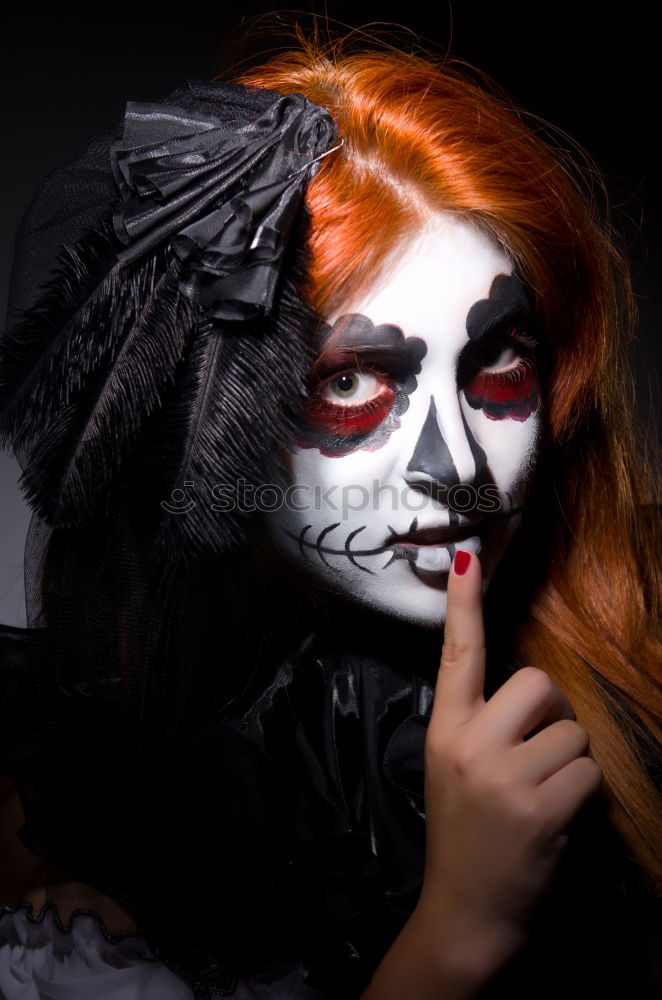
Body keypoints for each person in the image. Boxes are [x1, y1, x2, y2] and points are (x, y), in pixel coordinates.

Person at [0, 27, 660, 1000]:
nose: (456, 467)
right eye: (349, 380)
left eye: (498, 362)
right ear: (202, 417)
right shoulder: (78, 782)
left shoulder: (644, 618)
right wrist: (455, 935)